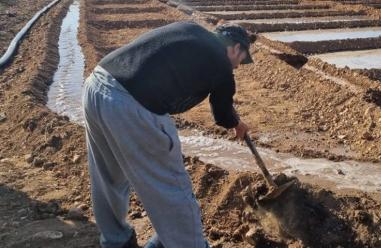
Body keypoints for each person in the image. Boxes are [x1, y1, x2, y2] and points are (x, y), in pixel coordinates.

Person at [82, 22, 253, 248]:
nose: (238, 66)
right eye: (242, 59)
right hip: (132, 104)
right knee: (171, 186)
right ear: (236, 48)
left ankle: (116, 241)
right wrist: (237, 123)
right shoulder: (222, 64)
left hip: (97, 84)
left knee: (108, 176)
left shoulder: (190, 30)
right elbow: (222, 114)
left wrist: (232, 117)